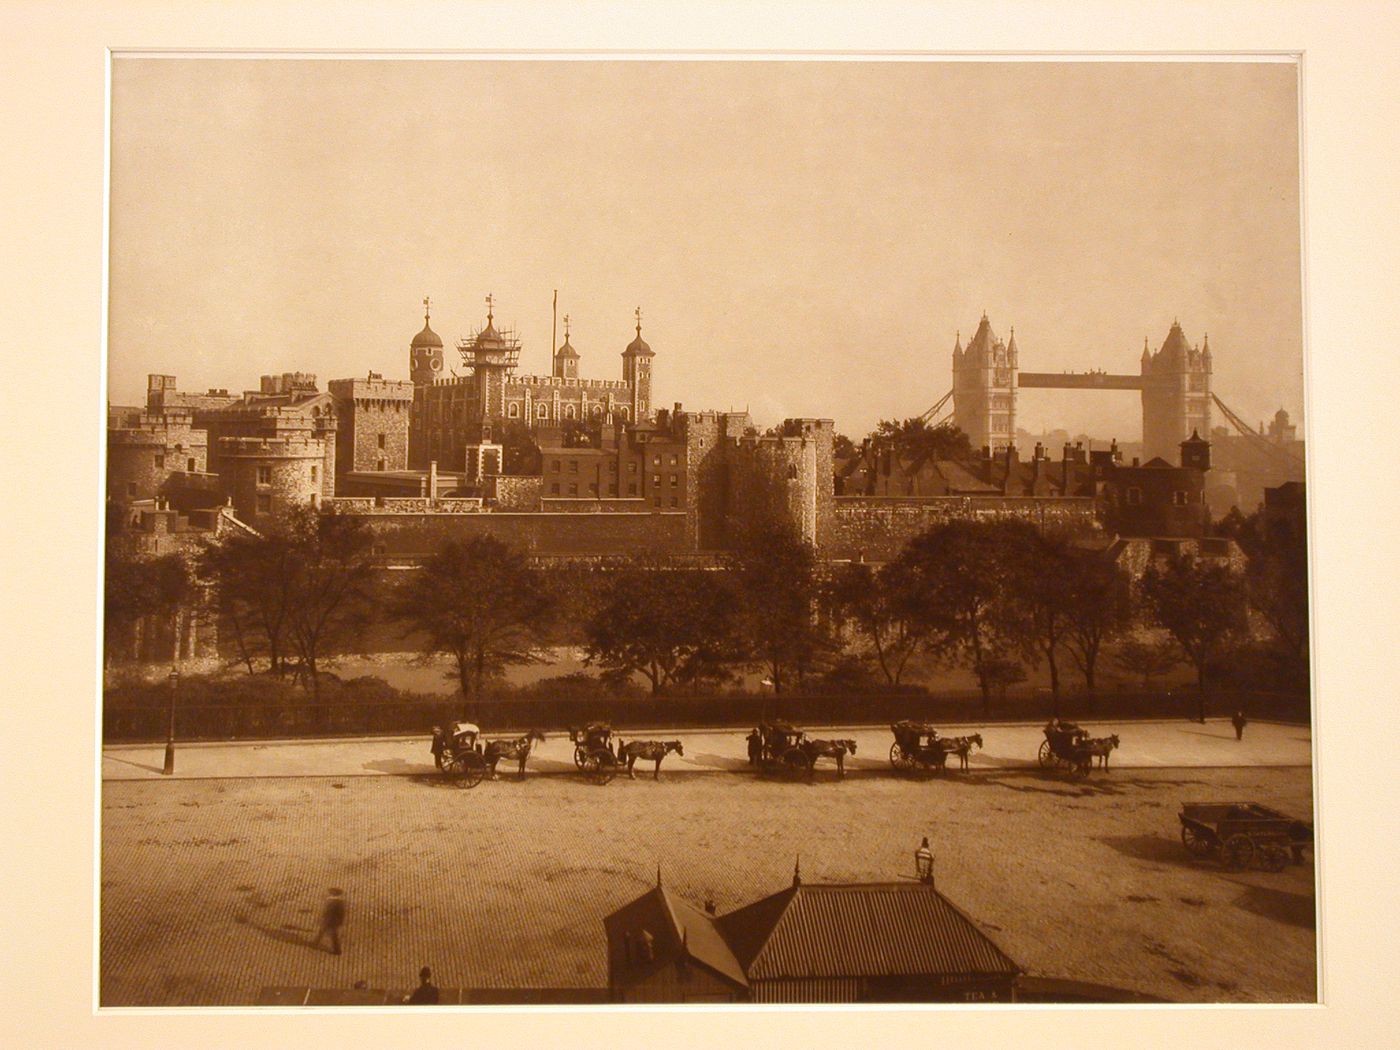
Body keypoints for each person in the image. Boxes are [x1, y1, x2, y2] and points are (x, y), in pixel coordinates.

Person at [314, 887, 346, 955]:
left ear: (334, 894)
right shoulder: (338, 902)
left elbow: (340, 913)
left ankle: (337, 950)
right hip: (331, 920)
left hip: (332, 921)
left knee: (333, 935)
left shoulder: (336, 902)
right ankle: (316, 943)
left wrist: (338, 921)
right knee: (322, 931)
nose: (329, 894)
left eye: (331, 892)